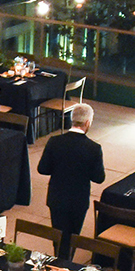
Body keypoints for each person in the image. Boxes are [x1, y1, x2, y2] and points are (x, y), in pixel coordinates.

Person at [36, 103, 104, 260]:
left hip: (57, 197)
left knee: (58, 236)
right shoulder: (93, 148)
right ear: (88, 122)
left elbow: (43, 169)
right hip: (78, 200)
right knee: (73, 237)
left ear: (72, 120)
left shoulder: (54, 141)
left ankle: (57, 261)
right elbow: (99, 178)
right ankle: (67, 263)